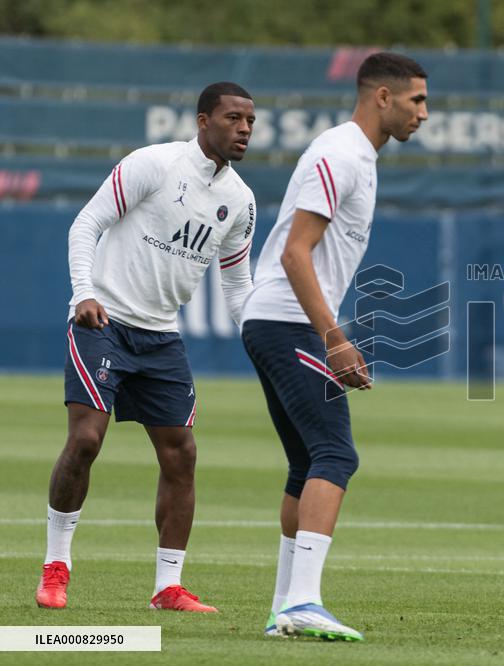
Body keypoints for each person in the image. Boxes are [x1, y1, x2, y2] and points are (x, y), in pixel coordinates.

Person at [36, 82, 257, 613]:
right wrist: (84, 292)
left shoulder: (240, 200)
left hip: (162, 336)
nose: (245, 128)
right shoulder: (153, 165)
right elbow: (86, 223)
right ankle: (56, 567)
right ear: (203, 121)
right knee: (87, 440)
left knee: (182, 455)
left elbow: (237, 288)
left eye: (251, 120)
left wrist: (266, 340)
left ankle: (167, 588)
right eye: (233, 118)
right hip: (103, 320)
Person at [240, 52, 428, 642]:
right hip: (285, 321)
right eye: (417, 100)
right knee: (336, 455)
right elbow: (297, 252)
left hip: (282, 321)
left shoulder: (361, 158)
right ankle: (302, 601)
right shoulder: (340, 152)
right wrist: (335, 339)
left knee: (306, 462)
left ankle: (282, 610)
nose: (424, 112)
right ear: (382, 97)